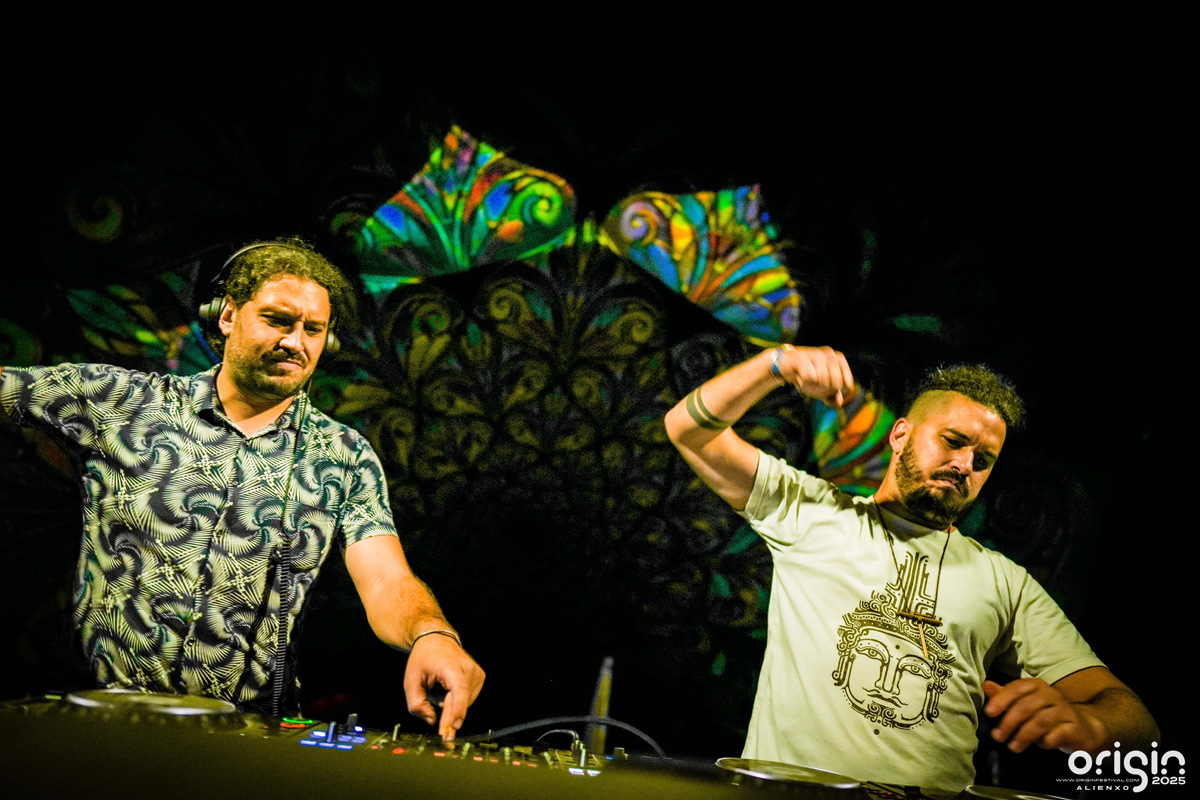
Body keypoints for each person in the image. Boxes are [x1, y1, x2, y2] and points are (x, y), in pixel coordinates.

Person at [0, 238, 483, 742]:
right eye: (278, 320)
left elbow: (386, 579)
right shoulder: (122, 402)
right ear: (227, 315)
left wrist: (432, 635)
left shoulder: (343, 456)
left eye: (313, 329)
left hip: (239, 741)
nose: (295, 343)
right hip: (90, 725)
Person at [664, 345, 1157, 794]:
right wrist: (773, 365)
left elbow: (1136, 720)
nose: (965, 465)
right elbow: (688, 429)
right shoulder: (812, 513)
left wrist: (1091, 725)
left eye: (983, 459)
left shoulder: (1005, 582)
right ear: (900, 435)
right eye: (953, 441)